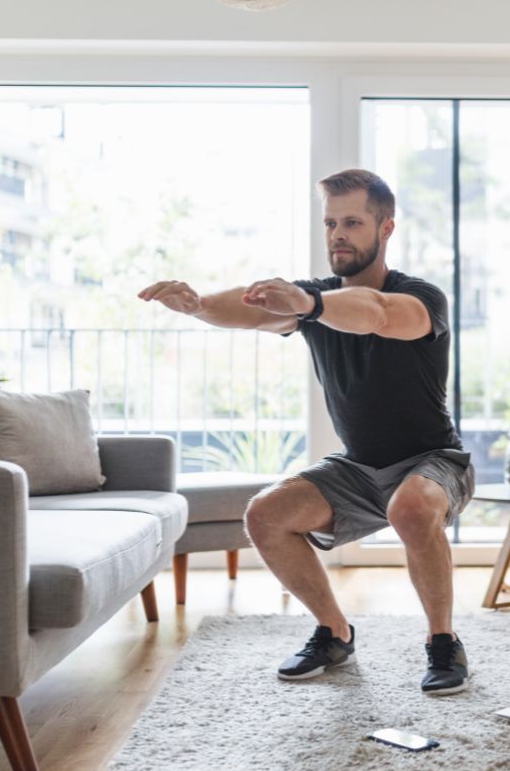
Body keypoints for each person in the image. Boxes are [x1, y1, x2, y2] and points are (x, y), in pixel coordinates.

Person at [138, 168, 475, 695]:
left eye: (352, 222)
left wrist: (309, 306)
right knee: (265, 515)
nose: (338, 234)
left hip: (432, 461)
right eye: (330, 223)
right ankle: (334, 632)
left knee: (410, 508)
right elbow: (252, 312)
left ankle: (442, 642)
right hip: (359, 466)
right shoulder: (312, 299)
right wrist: (199, 305)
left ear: (385, 229)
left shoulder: (422, 297)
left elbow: (379, 315)